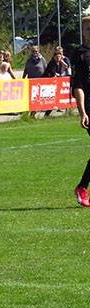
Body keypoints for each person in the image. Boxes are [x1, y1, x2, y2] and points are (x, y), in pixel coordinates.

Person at [72, 16, 90, 207]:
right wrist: (83, 112)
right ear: (83, 31)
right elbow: (78, 86)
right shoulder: (79, 54)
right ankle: (82, 187)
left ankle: (83, 186)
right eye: (88, 28)